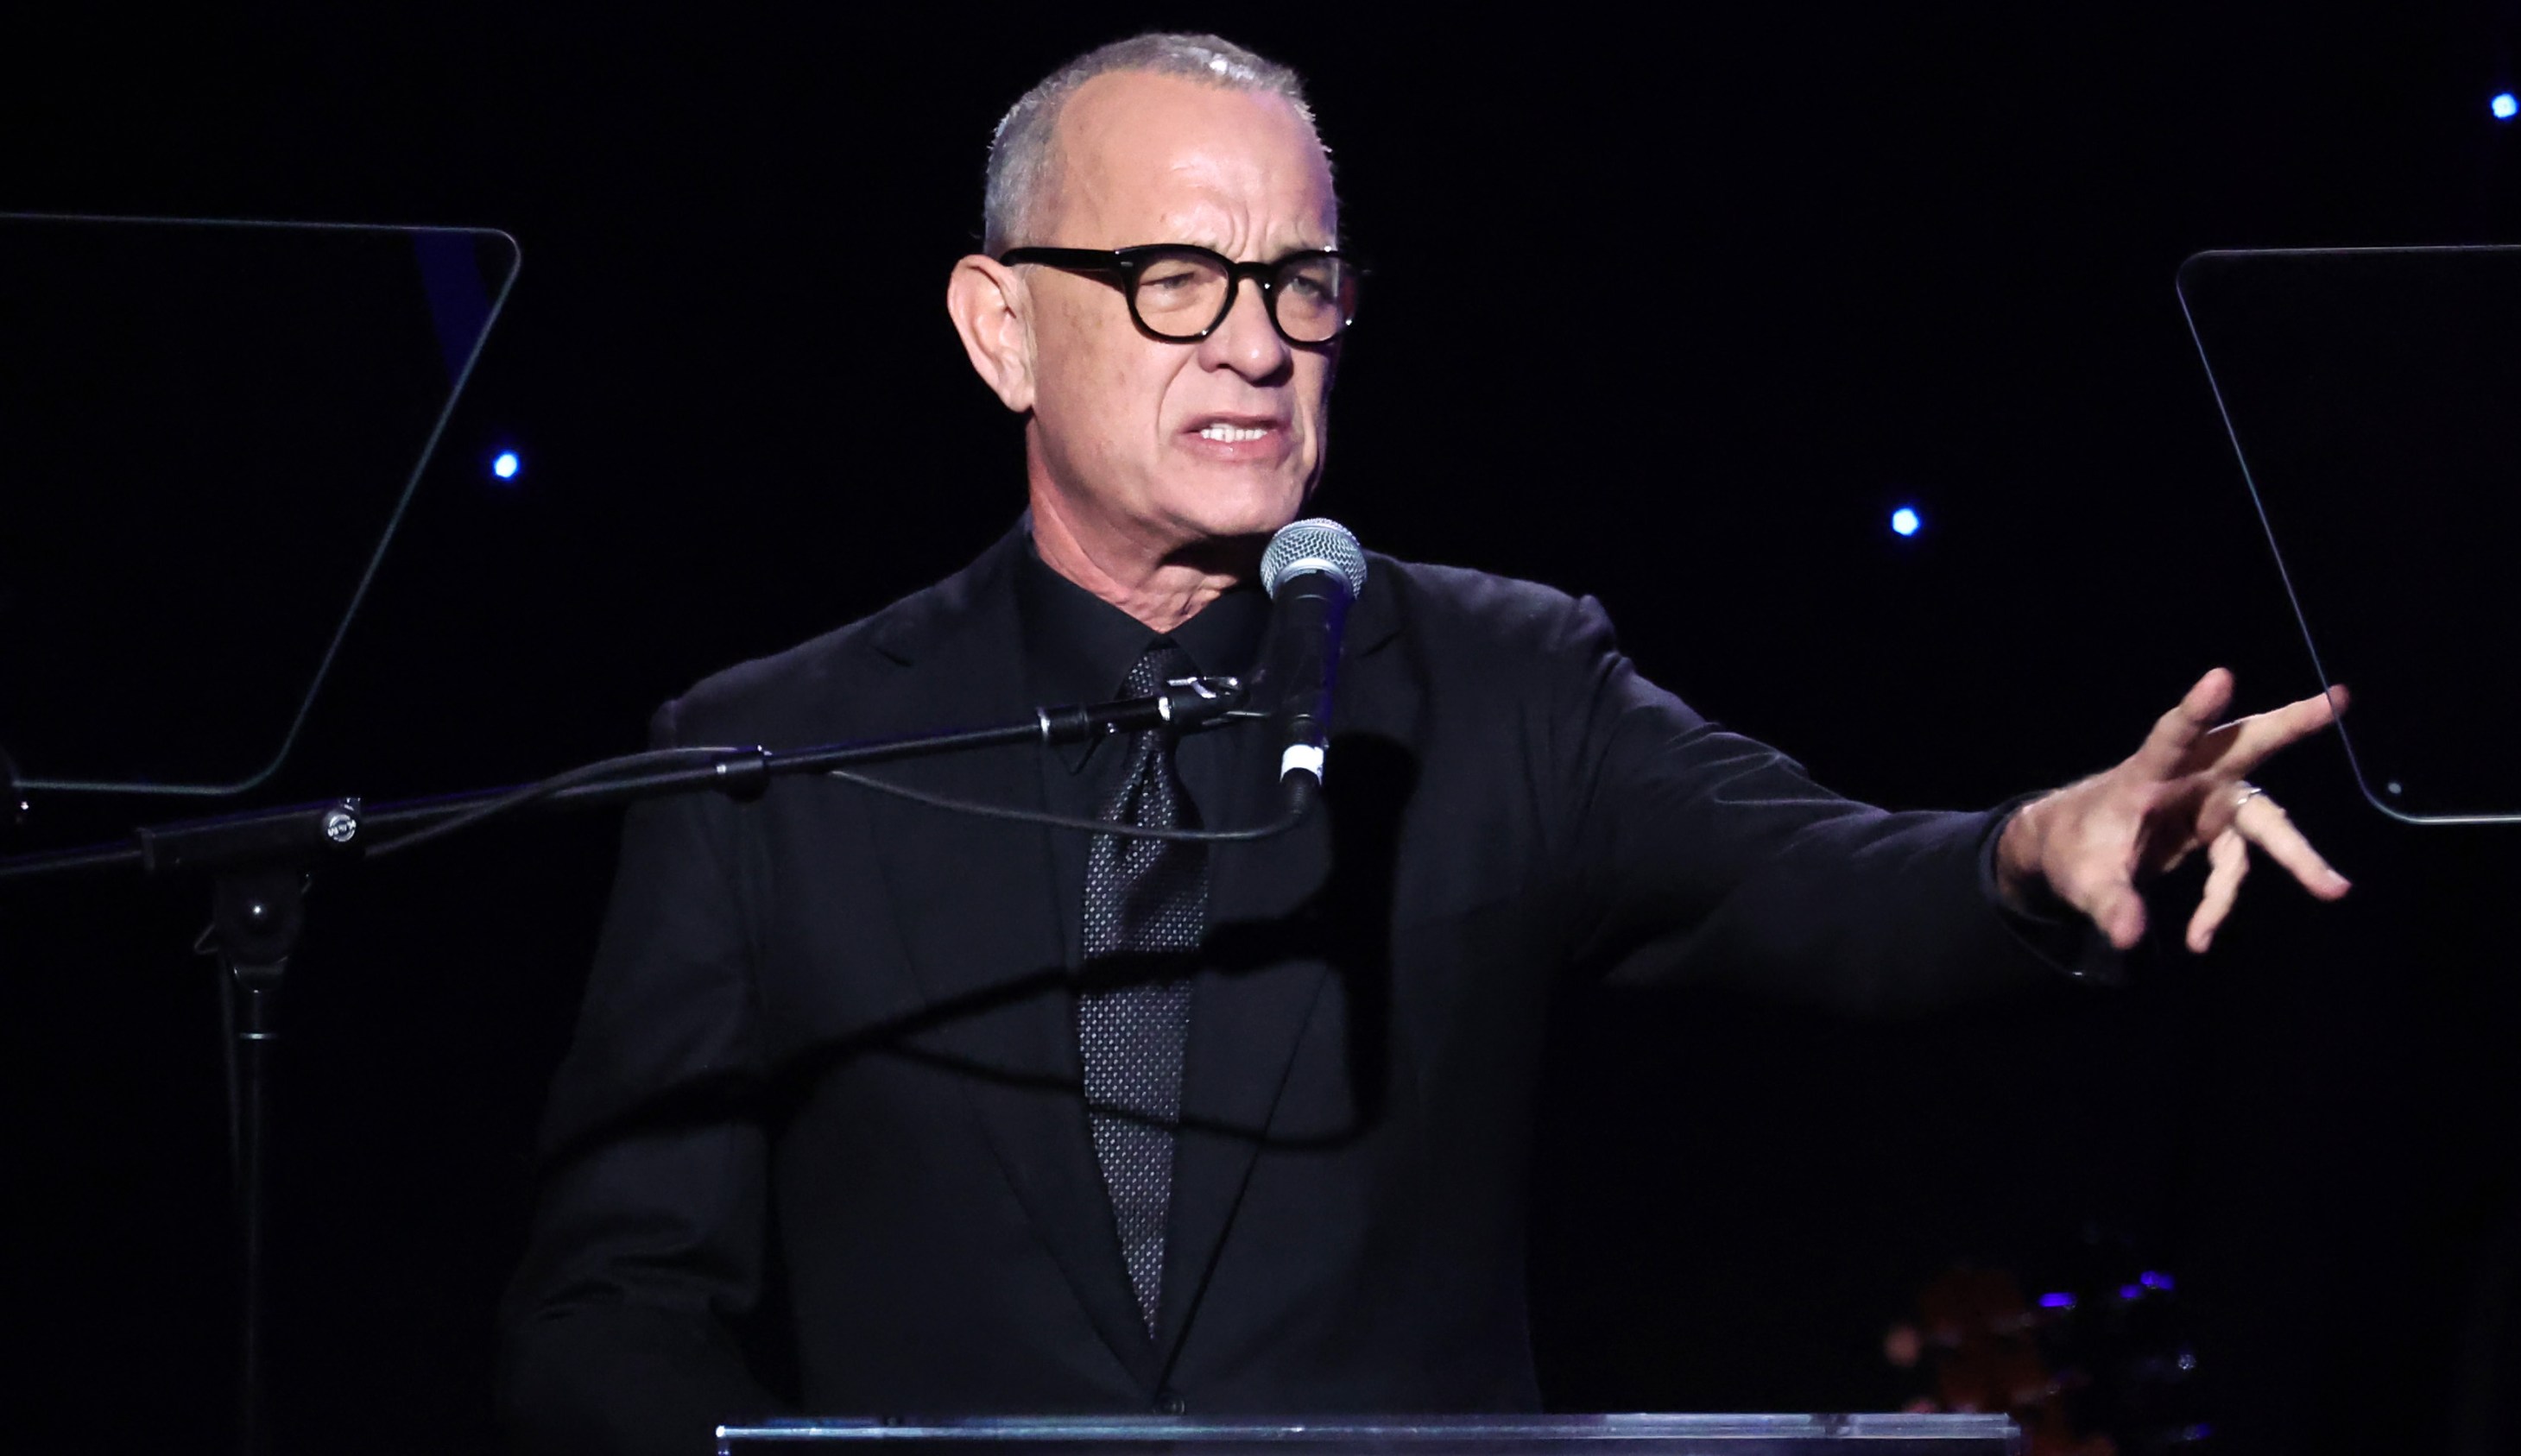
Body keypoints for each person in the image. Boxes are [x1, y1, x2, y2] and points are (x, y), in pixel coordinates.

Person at [497, 33, 2350, 1456]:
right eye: (1175, 277)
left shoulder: (1501, 683)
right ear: (1003, 331)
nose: (1254, 345)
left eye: (1303, 283)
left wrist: (2034, 843)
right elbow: (613, 1306)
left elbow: (1822, 878)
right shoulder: (768, 758)